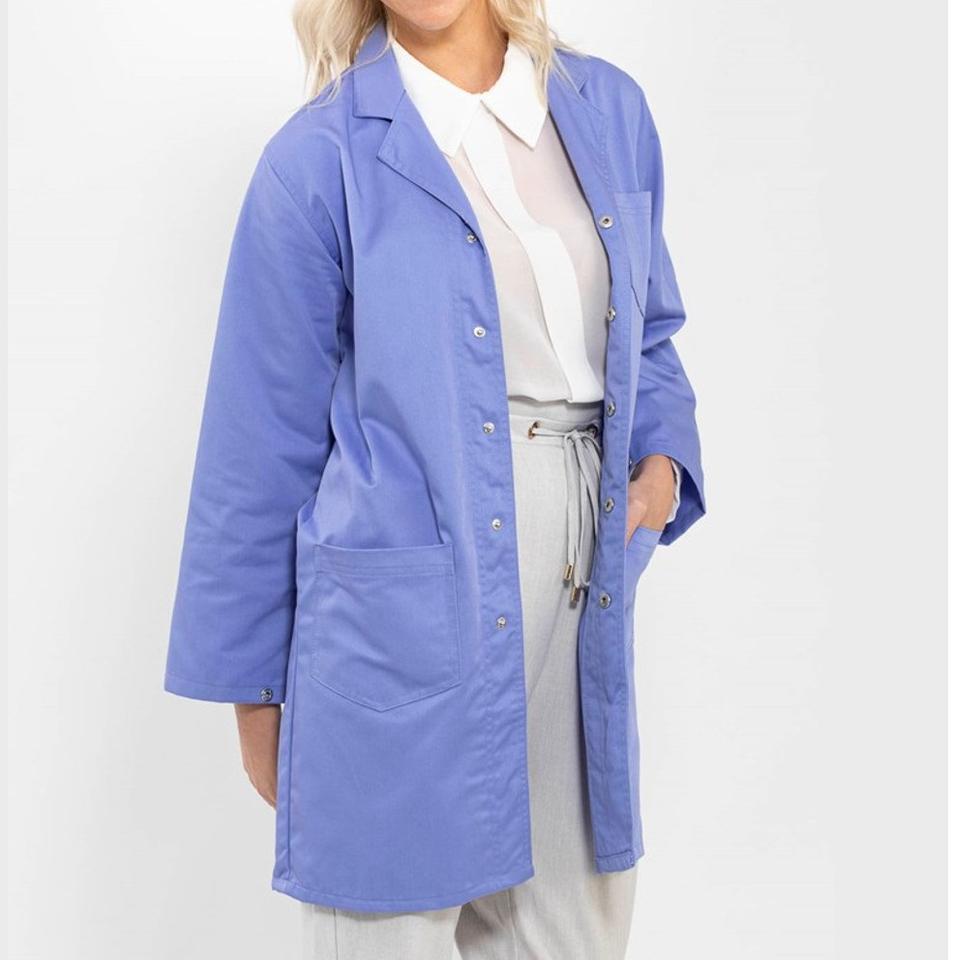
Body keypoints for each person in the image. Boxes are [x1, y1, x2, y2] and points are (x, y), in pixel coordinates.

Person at [165, 0, 704, 955]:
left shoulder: (607, 110)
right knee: (389, 922)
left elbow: (649, 330)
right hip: (403, 603)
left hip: (587, 581)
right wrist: (253, 693)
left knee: (570, 933)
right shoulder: (318, 158)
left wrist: (661, 464)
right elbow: (256, 442)